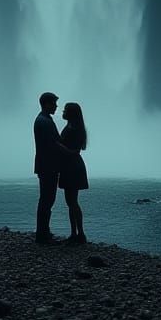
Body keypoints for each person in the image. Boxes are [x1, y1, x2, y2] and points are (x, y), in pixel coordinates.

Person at [33, 91, 69, 244]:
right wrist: (71, 152)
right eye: (54, 103)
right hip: (48, 166)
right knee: (47, 200)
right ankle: (42, 235)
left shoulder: (43, 119)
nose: (56, 106)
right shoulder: (45, 121)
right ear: (46, 104)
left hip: (45, 165)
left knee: (46, 200)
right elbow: (54, 143)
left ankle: (43, 232)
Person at [59, 101, 89, 244]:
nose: (62, 112)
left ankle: (78, 234)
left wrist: (57, 145)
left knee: (72, 202)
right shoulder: (75, 127)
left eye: (65, 110)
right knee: (71, 202)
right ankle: (76, 233)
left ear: (71, 113)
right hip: (72, 166)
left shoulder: (73, 129)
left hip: (72, 166)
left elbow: (73, 151)